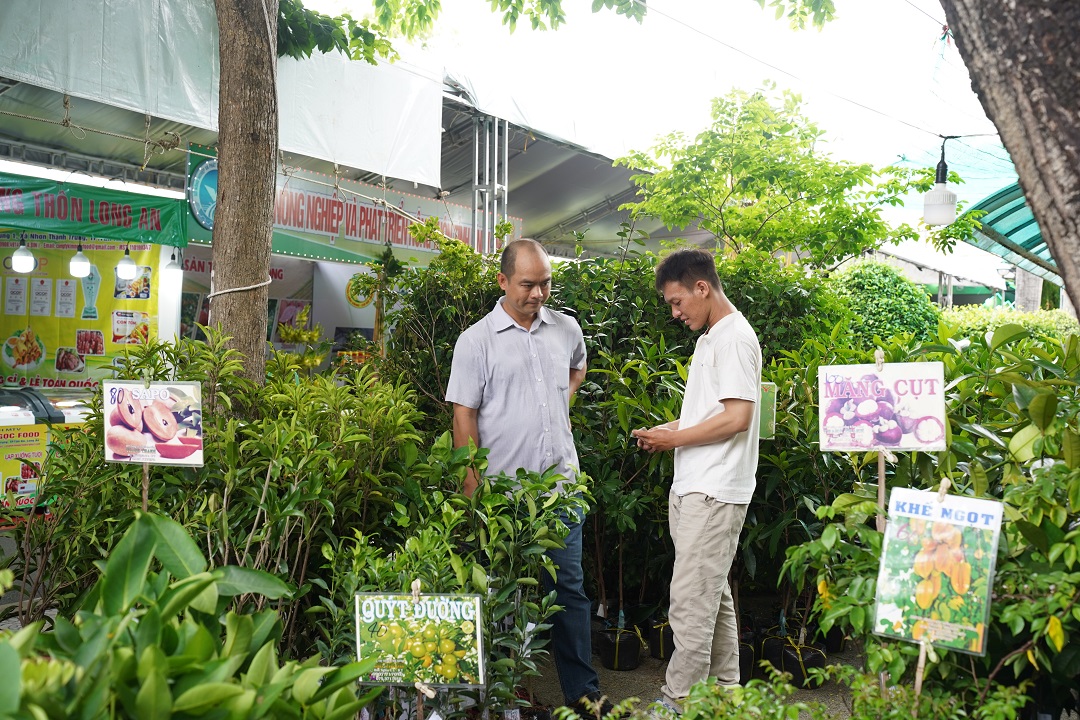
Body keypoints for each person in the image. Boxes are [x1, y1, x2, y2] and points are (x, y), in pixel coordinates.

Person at [445, 239, 611, 716]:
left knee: (570, 595)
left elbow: (578, 366)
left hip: (561, 491)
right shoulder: (476, 340)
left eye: (546, 283)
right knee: (504, 594)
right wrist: (474, 490)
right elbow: (463, 419)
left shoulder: (566, 328)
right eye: (528, 284)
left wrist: (562, 403)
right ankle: (507, 692)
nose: (539, 294)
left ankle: (582, 693)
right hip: (506, 497)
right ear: (502, 282)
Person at [632, 248, 762, 715]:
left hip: (714, 489)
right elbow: (713, 414)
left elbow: (738, 418)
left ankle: (678, 700)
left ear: (701, 288)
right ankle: (725, 694)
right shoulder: (712, 338)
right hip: (697, 486)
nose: (675, 311)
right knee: (712, 593)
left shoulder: (733, 340)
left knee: (689, 601)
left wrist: (676, 440)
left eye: (677, 301)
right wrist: (670, 432)